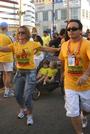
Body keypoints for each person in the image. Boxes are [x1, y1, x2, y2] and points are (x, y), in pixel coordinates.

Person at [0, 25, 59, 126]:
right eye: (19, 32)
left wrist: (58, 49)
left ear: (27, 34)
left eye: (23, 32)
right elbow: (2, 48)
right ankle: (23, 109)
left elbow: (45, 48)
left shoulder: (33, 44)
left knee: (27, 97)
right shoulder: (14, 45)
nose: (20, 34)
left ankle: (30, 114)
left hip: (30, 73)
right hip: (19, 73)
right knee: (18, 95)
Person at [59, 19, 90, 134]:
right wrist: (62, 72)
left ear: (80, 31)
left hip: (86, 85)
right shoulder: (64, 45)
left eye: (74, 29)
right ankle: (79, 132)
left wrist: (86, 75)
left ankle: (84, 115)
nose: (70, 31)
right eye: (68, 29)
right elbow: (62, 60)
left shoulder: (87, 44)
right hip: (70, 84)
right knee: (73, 112)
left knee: (87, 109)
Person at [0, 22, 14, 97]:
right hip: (8, 58)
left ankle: (6, 90)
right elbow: (14, 46)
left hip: (0, 58)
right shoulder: (9, 36)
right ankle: (7, 92)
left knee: (4, 74)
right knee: (8, 74)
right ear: (6, 27)